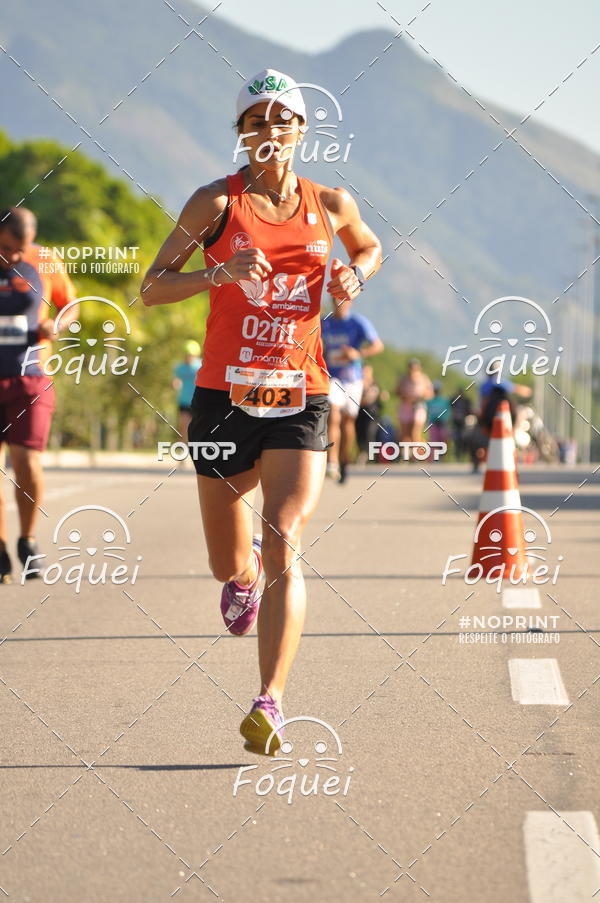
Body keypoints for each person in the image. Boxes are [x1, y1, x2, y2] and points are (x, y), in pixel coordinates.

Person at [141, 69, 382, 754]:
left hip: (299, 394)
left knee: (282, 533)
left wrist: (354, 275)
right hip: (223, 399)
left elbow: (368, 244)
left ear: (302, 130)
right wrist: (216, 273)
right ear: (241, 134)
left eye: (282, 119)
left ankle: (269, 701)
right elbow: (151, 289)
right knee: (229, 559)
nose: (269, 130)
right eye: (256, 120)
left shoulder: (331, 203)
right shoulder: (212, 202)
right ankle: (240, 579)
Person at [0, 207, 78, 583]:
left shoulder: (44, 260)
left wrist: (55, 325)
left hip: (29, 377)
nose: (15, 257)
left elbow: (73, 306)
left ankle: (27, 540)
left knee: (27, 463)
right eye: (7, 248)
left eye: (22, 249)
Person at [321, 297, 383, 483]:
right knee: (333, 414)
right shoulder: (325, 322)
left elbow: (377, 346)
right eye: (335, 301)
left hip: (353, 379)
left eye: (343, 301)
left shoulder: (357, 322)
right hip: (333, 377)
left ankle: (344, 460)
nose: (339, 304)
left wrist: (358, 354)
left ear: (350, 303)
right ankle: (331, 462)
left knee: (348, 422)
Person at [396, 358, 433, 456]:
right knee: (405, 433)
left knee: (415, 431)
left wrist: (422, 395)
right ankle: (407, 453)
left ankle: (418, 453)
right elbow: (397, 391)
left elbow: (430, 394)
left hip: (419, 406)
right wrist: (405, 395)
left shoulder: (424, 379)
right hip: (406, 406)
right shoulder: (404, 379)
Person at [173, 340, 202, 440]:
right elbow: (176, 379)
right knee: (184, 425)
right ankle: (182, 447)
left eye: (190, 355)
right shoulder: (180, 368)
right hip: (184, 401)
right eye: (186, 355)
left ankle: (196, 447)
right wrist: (175, 383)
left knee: (197, 427)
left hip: (198, 401)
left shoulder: (201, 366)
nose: (188, 357)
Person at [425, 380, 451, 458]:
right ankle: (434, 457)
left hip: (442, 423)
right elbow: (427, 412)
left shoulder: (445, 401)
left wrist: (446, 421)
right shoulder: (429, 401)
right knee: (433, 440)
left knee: (443, 439)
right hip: (433, 423)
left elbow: (448, 412)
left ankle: (442, 456)